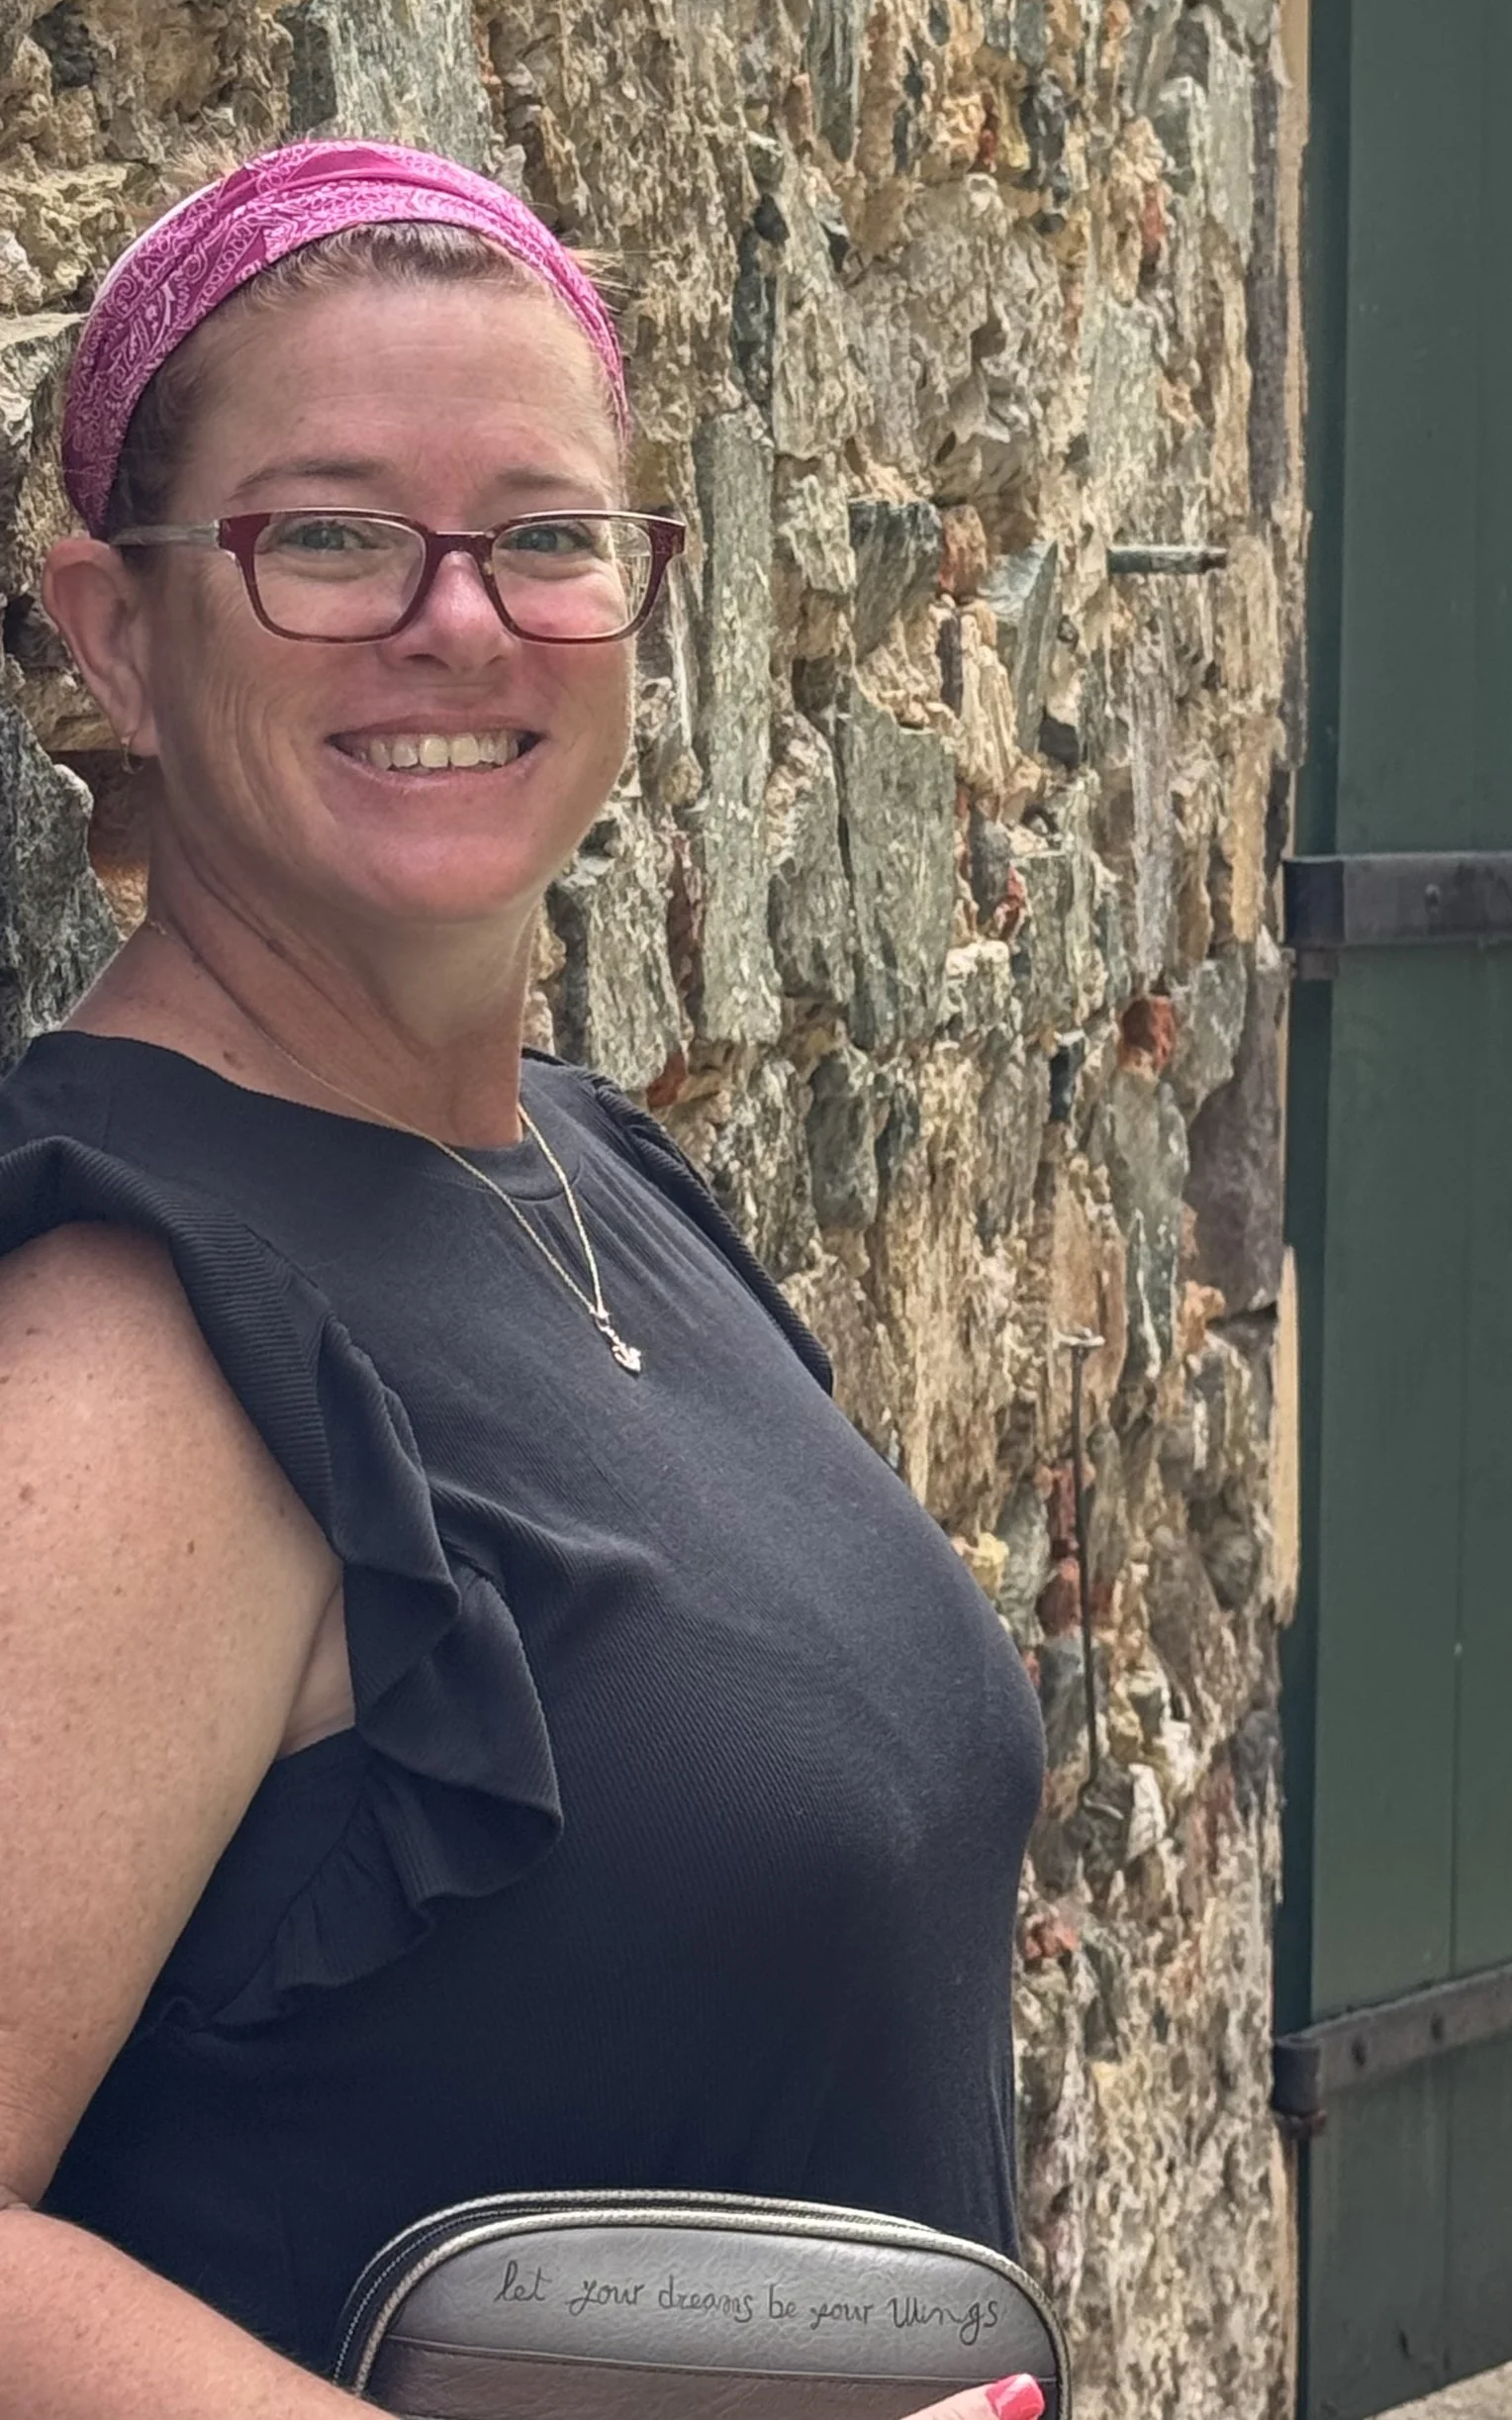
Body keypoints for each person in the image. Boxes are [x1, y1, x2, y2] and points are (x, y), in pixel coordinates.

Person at [0, 141, 1047, 2420]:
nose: (456, 620)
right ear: (118, 630)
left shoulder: (588, 1165)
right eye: (331, 535)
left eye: (547, 537)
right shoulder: (123, 1336)